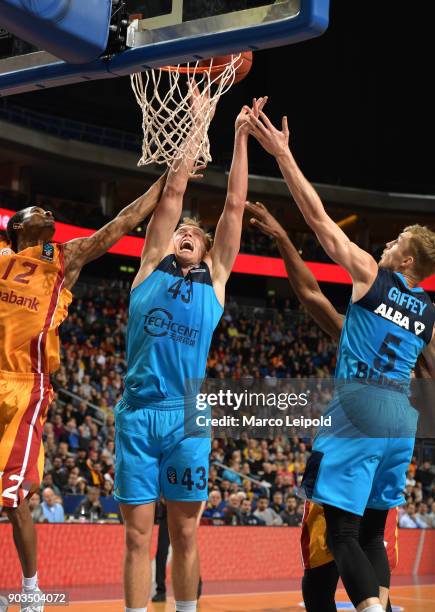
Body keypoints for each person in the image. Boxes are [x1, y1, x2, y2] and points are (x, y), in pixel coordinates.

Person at [246, 112, 435, 612]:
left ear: (408, 263)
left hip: (360, 405)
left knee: (342, 531)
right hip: (402, 416)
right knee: (373, 533)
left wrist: (282, 153)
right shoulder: (427, 312)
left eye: (396, 243)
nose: (387, 244)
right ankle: (383, 605)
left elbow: (319, 220)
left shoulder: (374, 276)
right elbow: (430, 372)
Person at [114, 91, 268, 612]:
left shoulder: (215, 283)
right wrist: (197, 123)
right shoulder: (149, 267)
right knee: (137, 539)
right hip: (137, 416)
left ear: (204, 252)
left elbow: (232, 207)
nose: (184, 232)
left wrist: (241, 137)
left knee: (184, 535)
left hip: (186, 419)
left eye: (192, 236)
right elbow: (175, 189)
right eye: (179, 230)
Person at [0, 171, 166, 609]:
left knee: (14, 496)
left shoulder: (62, 256)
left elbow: (122, 223)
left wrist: (167, 183)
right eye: (39, 211)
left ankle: (31, 591)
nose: (50, 213)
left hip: (25, 387)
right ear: (16, 226)